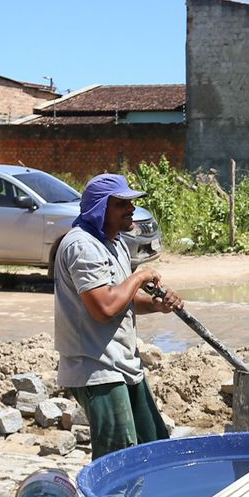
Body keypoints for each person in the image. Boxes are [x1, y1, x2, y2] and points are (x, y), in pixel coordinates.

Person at [54, 173, 182, 460]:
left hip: (123, 363)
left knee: (153, 446)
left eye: (131, 203)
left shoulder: (115, 243)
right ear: (101, 209)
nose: (131, 210)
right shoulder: (82, 246)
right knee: (118, 458)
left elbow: (124, 299)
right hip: (97, 369)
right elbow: (105, 308)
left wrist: (156, 304)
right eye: (122, 204)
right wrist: (139, 277)